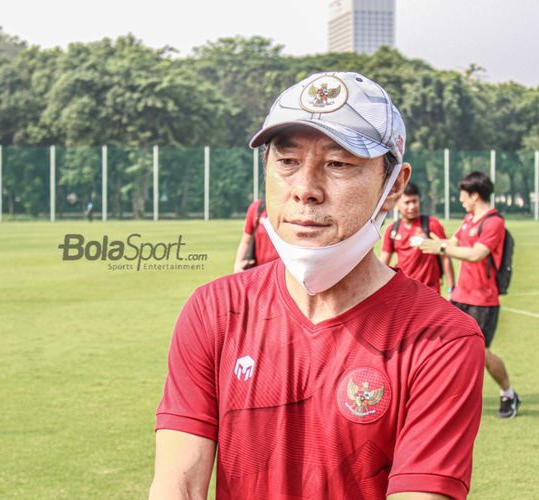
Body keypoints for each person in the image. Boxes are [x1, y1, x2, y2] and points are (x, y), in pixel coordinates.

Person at [150, 72, 485, 500]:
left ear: (393, 187)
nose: (305, 190)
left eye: (338, 164)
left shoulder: (441, 340)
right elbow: (178, 484)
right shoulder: (215, 310)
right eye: (287, 161)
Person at [418, 171, 520, 419]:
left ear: (474, 195)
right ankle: (449, 400)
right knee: (446, 348)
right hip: (460, 297)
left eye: (463, 195)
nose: (461, 199)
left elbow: (476, 254)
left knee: (480, 353)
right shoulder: (469, 219)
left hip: (483, 300)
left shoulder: (494, 222)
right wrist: (433, 242)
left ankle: (508, 393)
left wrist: (441, 248)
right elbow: (453, 242)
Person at [379, 182, 455, 294]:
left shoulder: (431, 224)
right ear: (396, 204)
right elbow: (383, 264)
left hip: (430, 291)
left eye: (414, 201)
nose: (412, 206)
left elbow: (445, 258)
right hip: (404, 291)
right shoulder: (392, 230)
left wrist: (451, 288)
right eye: (407, 203)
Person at [233, 198, 279, 272]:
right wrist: (238, 264)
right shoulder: (257, 208)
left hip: (283, 272)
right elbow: (246, 241)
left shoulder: (292, 207)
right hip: (259, 270)